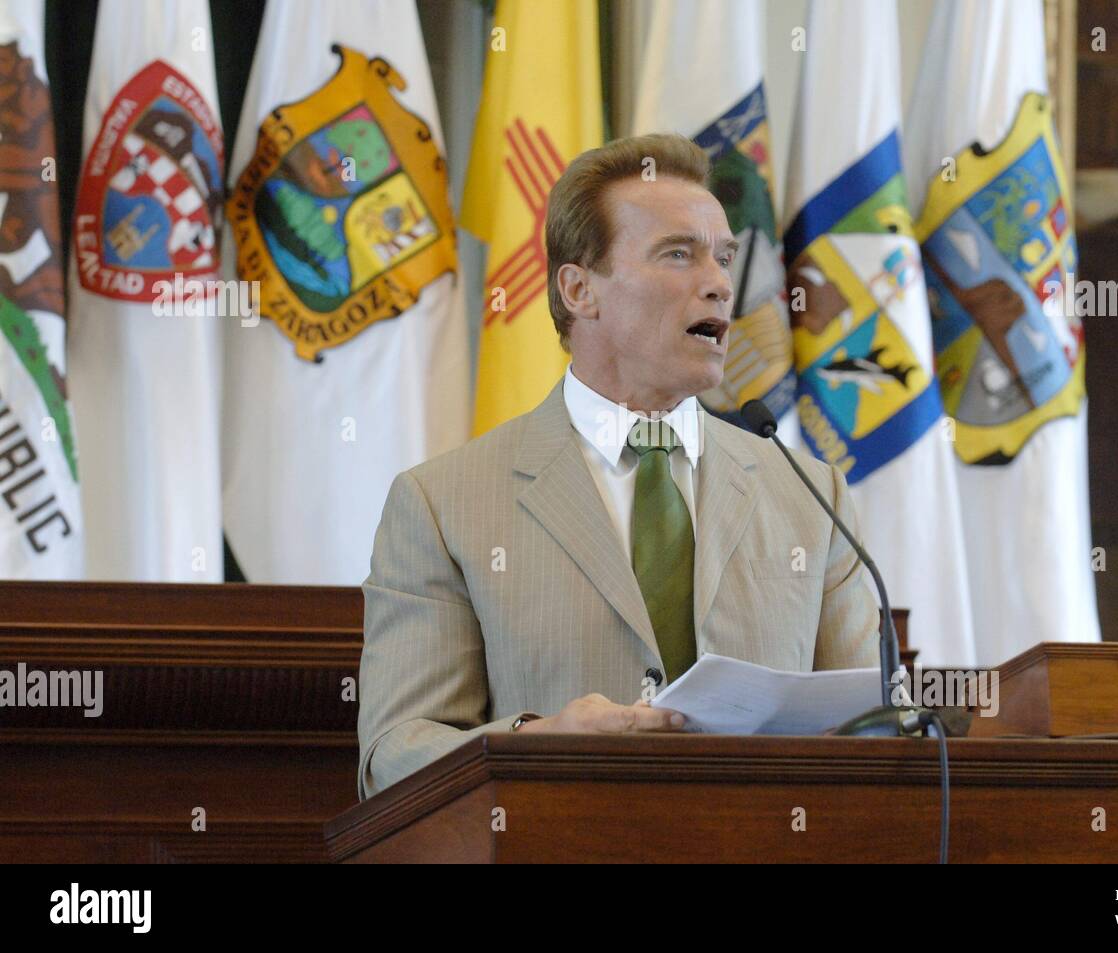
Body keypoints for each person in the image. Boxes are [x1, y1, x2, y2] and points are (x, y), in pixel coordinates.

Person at [357, 133, 880, 799]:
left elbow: (874, 735)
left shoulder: (812, 493)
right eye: (678, 255)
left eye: (723, 258)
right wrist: (540, 742)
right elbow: (393, 757)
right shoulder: (441, 502)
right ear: (580, 289)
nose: (720, 283)